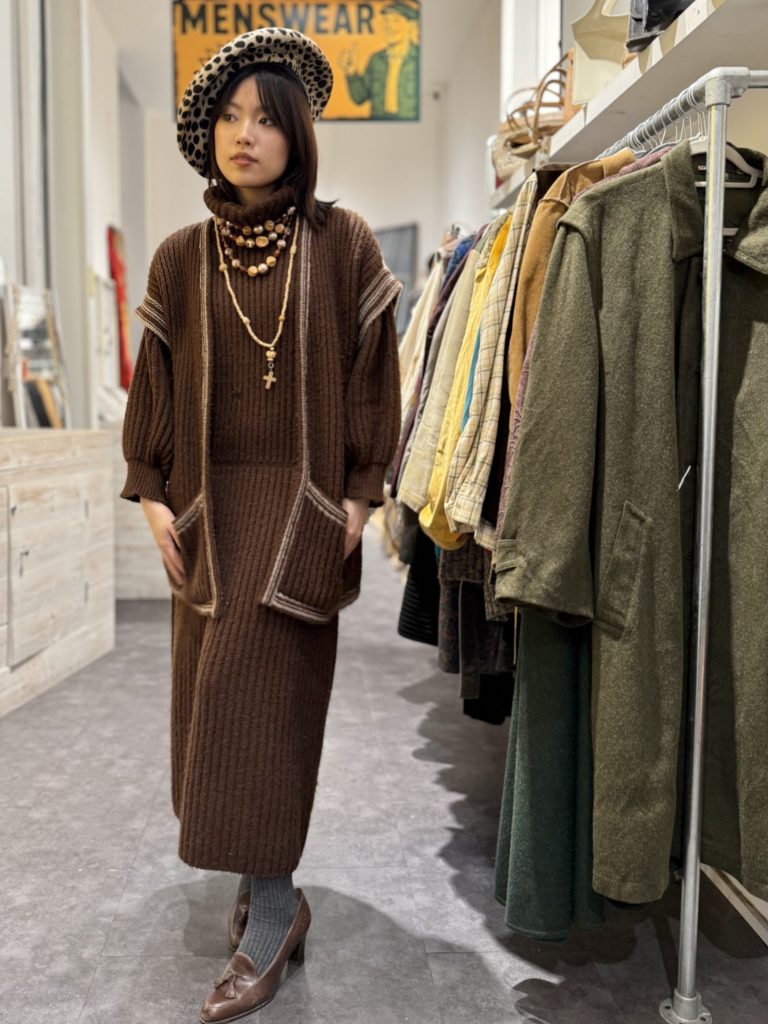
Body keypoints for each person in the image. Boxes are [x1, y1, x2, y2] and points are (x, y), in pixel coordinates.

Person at [119, 27, 402, 1022]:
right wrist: (152, 490)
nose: (248, 135)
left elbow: (374, 379)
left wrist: (361, 495)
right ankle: (264, 876)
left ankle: (274, 906)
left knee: (270, 705)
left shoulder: (345, 241)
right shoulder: (177, 257)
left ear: (298, 133)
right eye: (232, 117)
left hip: (302, 506)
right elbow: (152, 387)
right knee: (208, 711)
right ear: (210, 137)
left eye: (268, 118)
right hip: (208, 511)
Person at [340, 0, 420, 119]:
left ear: (409, 25)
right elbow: (360, 98)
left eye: (396, 21)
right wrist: (351, 73)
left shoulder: (418, 59)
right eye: (386, 21)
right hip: (378, 124)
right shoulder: (376, 60)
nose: (390, 26)